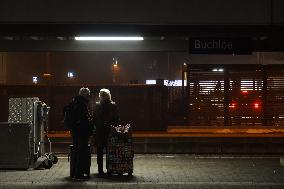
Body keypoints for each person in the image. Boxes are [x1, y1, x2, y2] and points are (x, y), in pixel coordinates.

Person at [94, 88, 119, 177]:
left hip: (100, 132)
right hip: (110, 132)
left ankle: (100, 170)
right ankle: (110, 169)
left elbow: (94, 119)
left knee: (100, 152)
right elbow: (116, 120)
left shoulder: (97, 106)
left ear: (100, 96)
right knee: (110, 152)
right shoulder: (113, 105)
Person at [71, 87, 94, 180]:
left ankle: (74, 172)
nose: (89, 96)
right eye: (88, 94)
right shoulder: (82, 104)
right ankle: (79, 174)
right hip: (82, 133)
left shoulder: (74, 102)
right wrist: (90, 124)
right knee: (81, 152)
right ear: (84, 94)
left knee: (76, 151)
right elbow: (84, 120)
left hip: (75, 131)